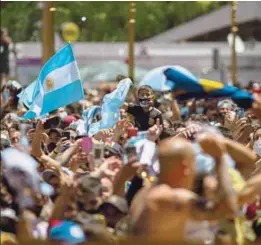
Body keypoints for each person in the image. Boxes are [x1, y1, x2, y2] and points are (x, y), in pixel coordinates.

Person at [129, 134, 238, 242]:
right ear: (186, 167)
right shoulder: (173, 198)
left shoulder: (143, 193)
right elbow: (228, 210)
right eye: (194, 163)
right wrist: (220, 158)